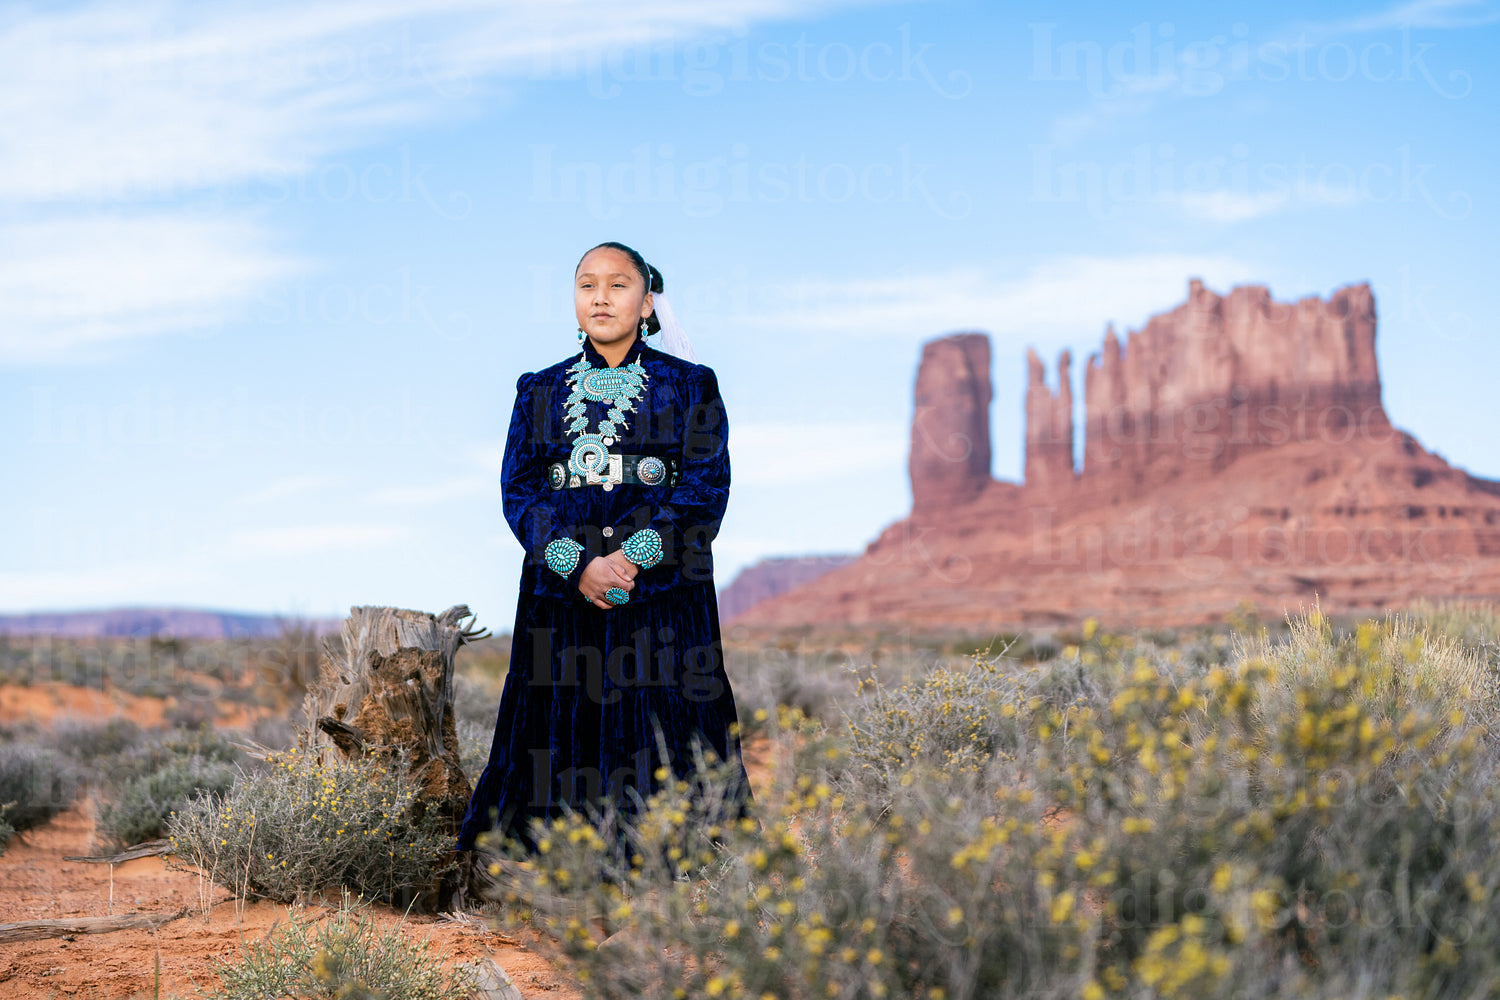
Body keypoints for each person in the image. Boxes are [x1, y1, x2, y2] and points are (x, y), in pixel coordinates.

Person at [455, 241, 755, 863]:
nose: (600, 296)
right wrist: (575, 565)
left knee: (658, 728)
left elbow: (705, 488)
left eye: (618, 285)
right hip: (561, 596)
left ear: (647, 302)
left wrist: (633, 559)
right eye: (587, 284)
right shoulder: (537, 390)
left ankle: (670, 878)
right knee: (555, 729)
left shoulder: (691, 385)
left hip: (661, 596)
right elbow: (520, 491)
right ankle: (545, 879)